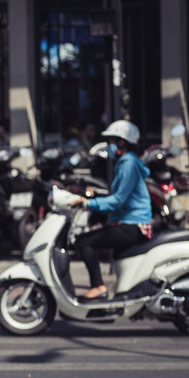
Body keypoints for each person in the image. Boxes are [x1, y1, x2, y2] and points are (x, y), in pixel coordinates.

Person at [71, 120, 152, 300]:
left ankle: (98, 287)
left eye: (111, 141)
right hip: (129, 223)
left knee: (84, 242)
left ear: (122, 142)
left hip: (132, 225)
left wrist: (88, 204)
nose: (108, 146)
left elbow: (117, 200)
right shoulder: (127, 163)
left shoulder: (128, 164)